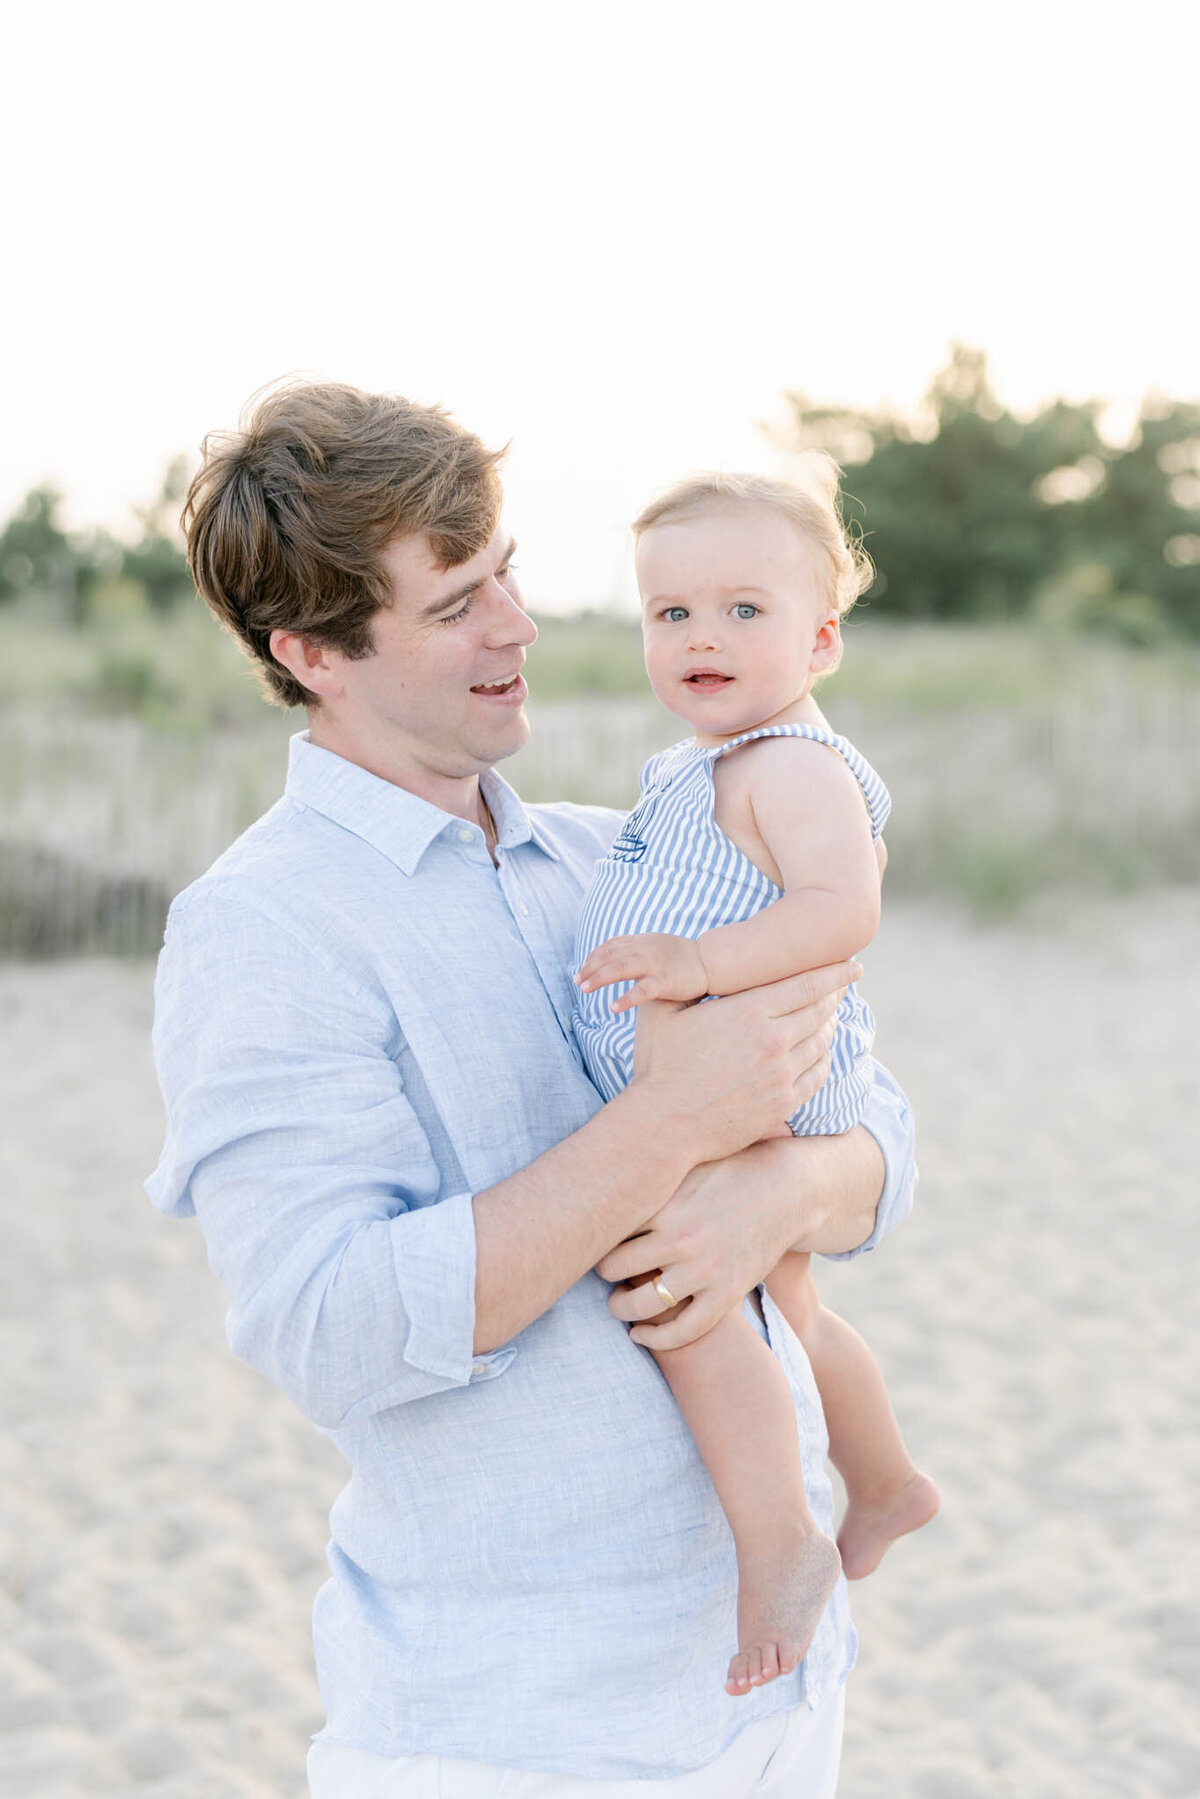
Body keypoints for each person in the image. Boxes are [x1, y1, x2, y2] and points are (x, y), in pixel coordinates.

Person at [146, 381, 918, 1798]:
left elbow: (879, 1124)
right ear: (312, 649)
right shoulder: (263, 927)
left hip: (777, 1694)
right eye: (455, 604)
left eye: (505, 569)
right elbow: (331, 1328)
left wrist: (784, 1189)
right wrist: (670, 1130)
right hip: (524, 1725)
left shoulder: (612, 850)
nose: (519, 625)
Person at [573, 468, 939, 1700]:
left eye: (742, 609)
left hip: (765, 1065)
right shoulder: (693, 766)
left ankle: (779, 1533)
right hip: (729, 1072)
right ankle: (884, 1479)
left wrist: (696, 963)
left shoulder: (793, 765)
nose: (700, 637)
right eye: (670, 614)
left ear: (820, 637)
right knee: (788, 1297)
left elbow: (846, 909)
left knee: (683, 1287)